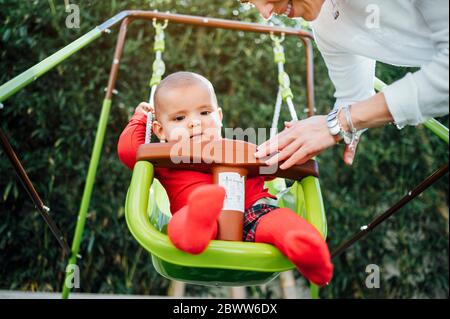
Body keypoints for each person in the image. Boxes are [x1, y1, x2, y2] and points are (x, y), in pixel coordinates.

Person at [118, 71, 333, 286]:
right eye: (179, 118)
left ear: (219, 117)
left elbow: (284, 162)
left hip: (253, 215)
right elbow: (130, 152)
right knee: (182, 225)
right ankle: (200, 216)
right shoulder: (167, 159)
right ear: (160, 130)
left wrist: (291, 143)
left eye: (204, 112)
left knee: (280, 221)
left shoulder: (245, 151)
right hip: (194, 216)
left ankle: (305, 248)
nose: (195, 123)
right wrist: (140, 119)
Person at [240, 0, 449, 167]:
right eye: (248, 1)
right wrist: (317, 132)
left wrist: (341, 122)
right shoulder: (324, 25)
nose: (264, 12)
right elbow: (354, 99)